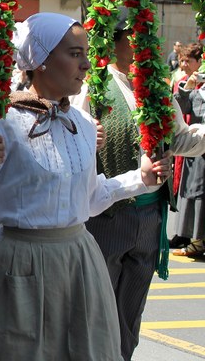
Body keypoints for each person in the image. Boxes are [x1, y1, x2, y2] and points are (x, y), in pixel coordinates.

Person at [0, 12, 170, 361]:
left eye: (86, 54)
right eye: (74, 54)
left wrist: (141, 179)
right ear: (40, 60)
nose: (86, 64)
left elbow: (89, 201)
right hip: (21, 263)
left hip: (78, 262)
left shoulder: (83, 124)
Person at [72, 26, 205, 361]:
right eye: (134, 38)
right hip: (107, 214)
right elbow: (74, 140)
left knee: (130, 313)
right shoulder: (94, 86)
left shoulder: (156, 88)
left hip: (150, 217)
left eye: (147, 37)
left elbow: (180, 139)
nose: (144, 45)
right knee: (95, 310)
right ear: (114, 43)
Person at [170, 53, 205, 257]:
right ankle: (197, 242)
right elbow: (179, 108)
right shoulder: (197, 93)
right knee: (196, 193)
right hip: (198, 151)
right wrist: (188, 87)